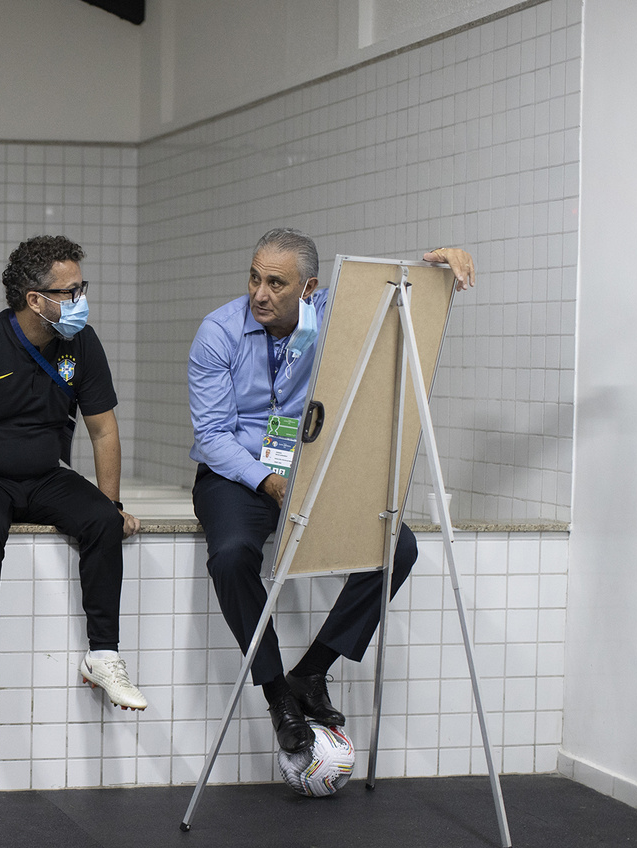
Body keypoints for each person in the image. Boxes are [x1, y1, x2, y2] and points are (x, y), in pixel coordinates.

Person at [186, 228, 475, 753]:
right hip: (236, 473)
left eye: (276, 283)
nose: (259, 294)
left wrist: (436, 270)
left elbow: (391, 301)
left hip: (310, 469)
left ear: (309, 288)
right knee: (230, 556)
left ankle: (312, 670)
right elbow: (211, 436)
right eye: (254, 278)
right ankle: (277, 693)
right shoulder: (218, 332)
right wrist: (269, 481)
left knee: (398, 547)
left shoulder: (330, 316)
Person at [0, 234, 145, 725]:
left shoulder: (82, 342)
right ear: (35, 300)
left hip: (43, 475)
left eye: (82, 288)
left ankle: (103, 655)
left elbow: (103, 429)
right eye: (70, 292)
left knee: (103, 520)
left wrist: (113, 503)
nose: (81, 300)